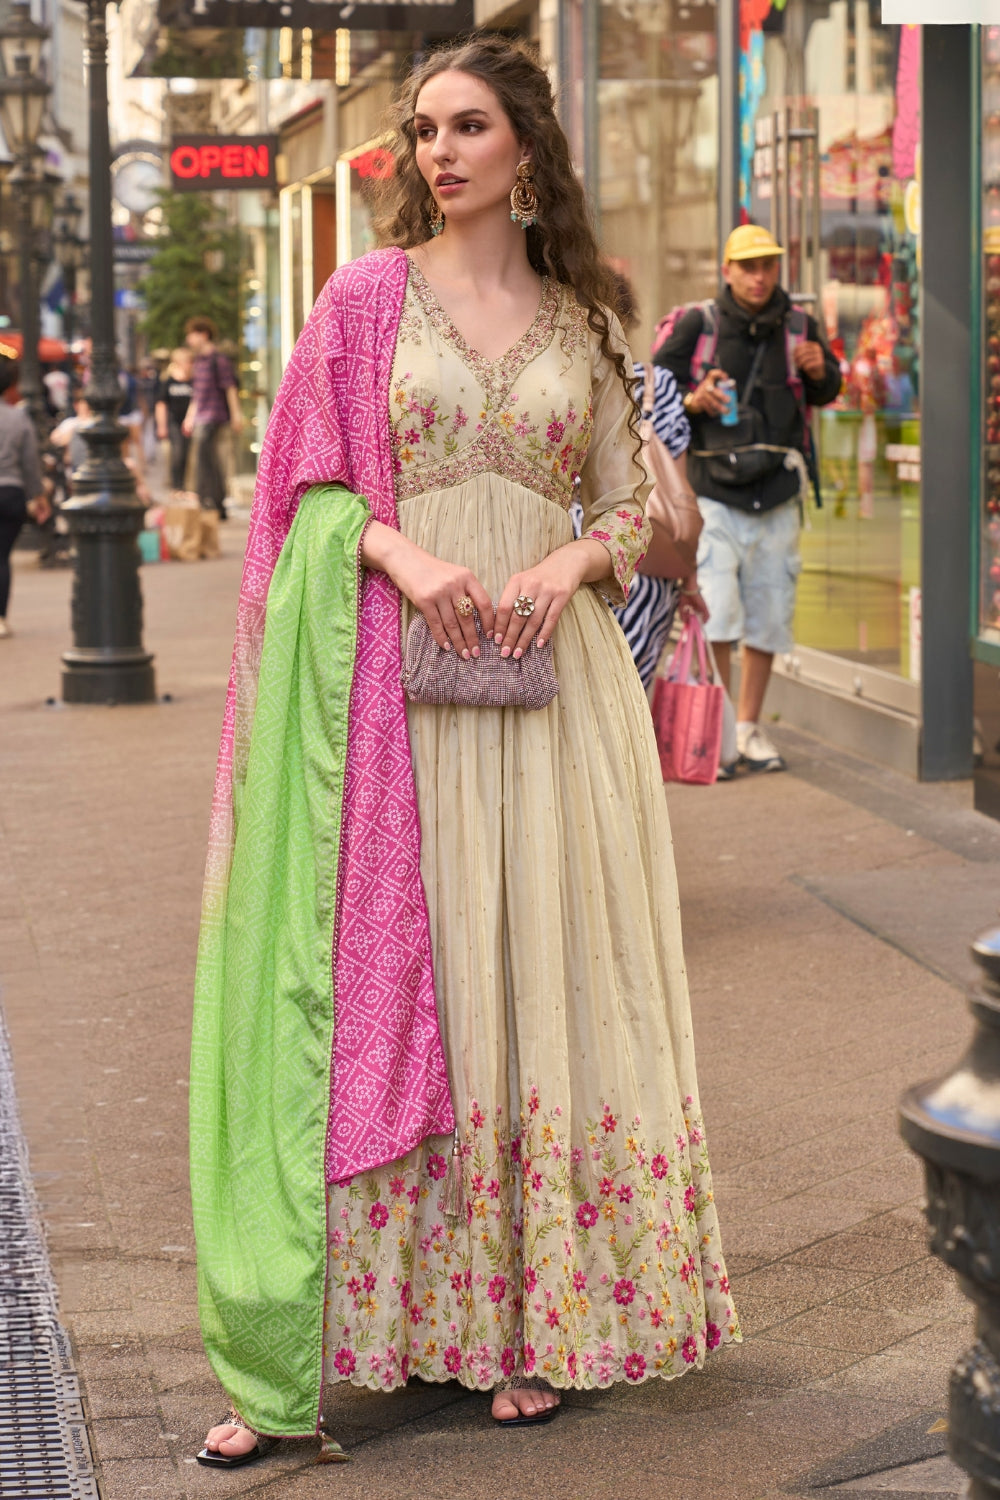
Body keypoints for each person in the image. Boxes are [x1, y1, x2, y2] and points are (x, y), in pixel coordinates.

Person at [192, 35, 739, 1469]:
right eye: (423, 130)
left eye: (469, 126)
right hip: (397, 707)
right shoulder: (367, 302)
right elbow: (298, 495)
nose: (438, 152)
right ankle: (367, 1328)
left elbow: (643, 513)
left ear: (525, 146)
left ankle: (534, 1322)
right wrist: (399, 552)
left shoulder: (589, 320)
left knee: (536, 980)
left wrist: (570, 564)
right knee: (406, 988)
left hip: (559, 712)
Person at [654, 223, 841, 775]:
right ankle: (721, 729)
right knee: (719, 616)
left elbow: (828, 390)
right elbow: (652, 391)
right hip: (713, 495)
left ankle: (751, 729)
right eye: (749, 266)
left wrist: (820, 370)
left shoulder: (801, 326)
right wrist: (694, 399)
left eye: (768, 265)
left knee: (767, 616)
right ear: (727, 270)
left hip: (779, 494)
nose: (760, 277)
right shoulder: (700, 325)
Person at [572, 272, 707, 689]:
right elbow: (679, 492)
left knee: (583, 692)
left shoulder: (565, 383)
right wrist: (690, 577)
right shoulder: (657, 385)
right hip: (645, 552)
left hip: (571, 553)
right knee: (629, 696)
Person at [0, 353, 51, 638]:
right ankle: (0, 618)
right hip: (11, 493)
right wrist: (39, 496)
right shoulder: (18, 418)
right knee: (1, 557)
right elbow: (30, 463)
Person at [181, 317, 242, 518]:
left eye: (192, 334)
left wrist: (236, 415)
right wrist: (189, 417)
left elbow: (230, 389)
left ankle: (211, 500)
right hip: (201, 417)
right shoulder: (198, 362)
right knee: (207, 460)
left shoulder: (219, 360)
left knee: (206, 458)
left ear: (203, 334)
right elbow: (196, 395)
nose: (189, 339)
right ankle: (213, 502)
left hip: (215, 416)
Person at [154, 348, 195, 496]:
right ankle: (177, 486)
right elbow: (161, 404)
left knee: (187, 453)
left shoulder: (193, 380)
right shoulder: (168, 381)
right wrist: (162, 426)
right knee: (177, 453)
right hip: (174, 422)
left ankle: (185, 486)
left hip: (190, 423)